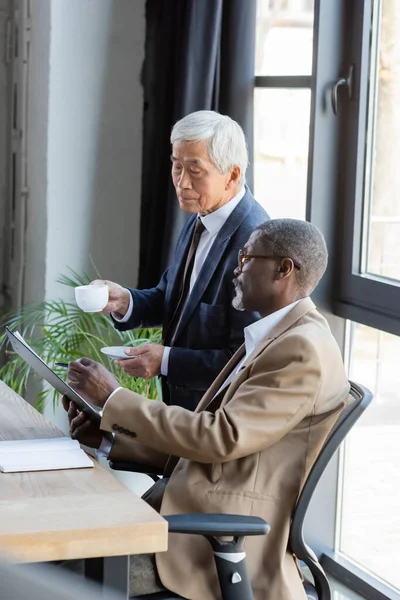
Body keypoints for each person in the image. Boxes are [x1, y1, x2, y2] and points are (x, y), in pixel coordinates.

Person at [64, 219, 350, 600]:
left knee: (60, 568)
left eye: (247, 256)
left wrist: (115, 397)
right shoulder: (278, 336)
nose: (237, 266)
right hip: (189, 510)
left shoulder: (302, 350)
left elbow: (219, 437)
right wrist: (109, 439)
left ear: (285, 269)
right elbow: (214, 446)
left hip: (211, 539)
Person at [92, 110, 269, 410]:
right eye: (176, 167)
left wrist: (166, 361)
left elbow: (246, 361)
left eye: (195, 171)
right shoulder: (202, 215)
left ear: (233, 175)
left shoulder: (254, 245)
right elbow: (173, 298)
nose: (181, 182)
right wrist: (124, 302)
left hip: (215, 421)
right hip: (181, 414)